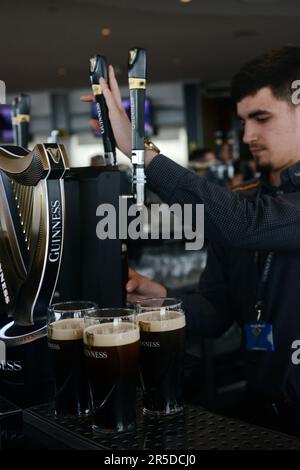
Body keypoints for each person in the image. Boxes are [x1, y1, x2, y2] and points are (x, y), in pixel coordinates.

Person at [81, 46, 300, 433]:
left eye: (261, 118)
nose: (247, 134)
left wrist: (139, 150)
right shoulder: (246, 199)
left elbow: (242, 224)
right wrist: (161, 300)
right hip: (262, 418)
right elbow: (216, 311)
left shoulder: (240, 214)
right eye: (244, 120)